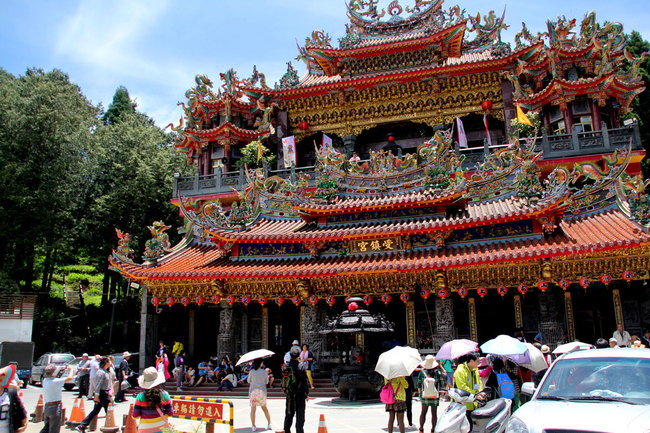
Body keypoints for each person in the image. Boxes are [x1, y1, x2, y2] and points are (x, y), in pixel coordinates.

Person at [131, 367, 174, 433]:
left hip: (145, 430)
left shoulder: (140, 397)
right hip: (162, 430)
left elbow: (135, 416)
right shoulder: (165, 395)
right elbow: (170, 413)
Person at [76, 357, 112, 433]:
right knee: (109, 411)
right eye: (109, 361)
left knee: (95, 411)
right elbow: (98, 384)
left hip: (104, 393)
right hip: (102, 394)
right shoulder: (100, 372)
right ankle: (111, 426)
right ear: (106, 363)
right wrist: (96, 396)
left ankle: (82, 425)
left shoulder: (105, 371)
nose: (110, 362)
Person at [452, 352, 486, 431]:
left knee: (472, 427)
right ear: (471, 361)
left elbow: (478, 383)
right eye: (477, 361)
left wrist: (481, 392)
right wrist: (476, 394)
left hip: (473, 404)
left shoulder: (475, 371)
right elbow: (462, 387)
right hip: (462, 405)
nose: (479, 363)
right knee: (464, 428)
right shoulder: (460, 371)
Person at [283, 346, 309, 433]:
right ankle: (299, 431)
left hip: (290, 394)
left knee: (289, 413)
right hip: (300, 393)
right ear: (299, 356)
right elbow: (305, 380)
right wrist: (307, 393)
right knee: (300, 414)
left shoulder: (286, 366)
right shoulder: (301, 366)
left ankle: (286, 429)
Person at [40, 363, 73, 433]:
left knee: (47, 428)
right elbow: (70, 378)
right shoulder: (56, 382)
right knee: (54, 429)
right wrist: (70, 370)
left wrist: (61, 372)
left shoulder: (45, 380)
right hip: (55, 407)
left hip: (47, 407)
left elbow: (55, 377)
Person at [417, 355, 444, 433]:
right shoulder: (437, 373)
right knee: (434, 413)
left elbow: (419, 384)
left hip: (424, 395)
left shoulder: (422, 373)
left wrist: (420, 394)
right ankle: (433, 429)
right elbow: (441, 383)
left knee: (423, 412)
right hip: (434, 395)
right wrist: (442, 394)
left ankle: (421, 429)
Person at [0, 365, 27, 433]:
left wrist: (24, 424)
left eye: (3, 374)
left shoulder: (11, 392)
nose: (0, 376)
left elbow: (20, 409)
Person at [248, 359, 272, 432]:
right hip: (261, 391)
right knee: (264, 408)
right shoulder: (264, 371)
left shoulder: (251, 372)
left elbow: (248, 381)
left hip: (253, 391)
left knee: (253, 409)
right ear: (260, 363)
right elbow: (267, 381)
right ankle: (269, 424)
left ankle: (253, 426)